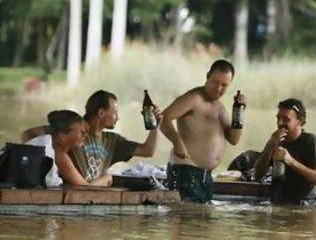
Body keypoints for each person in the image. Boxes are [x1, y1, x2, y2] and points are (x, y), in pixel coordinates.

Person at [21, 90, 163, 183]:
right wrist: (41, 163)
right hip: (73, 192)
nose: (118, 118)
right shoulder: (72, 131)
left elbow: (148, 151)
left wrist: (156, 126)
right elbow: (28, 134)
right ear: (101, 113)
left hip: (92, 193)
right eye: (115, 113)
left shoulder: (113, 141)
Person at [161, 59, 246, 203]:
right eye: (215, 82)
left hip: (206, 175)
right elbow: (163, 118)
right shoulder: (194, 98)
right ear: (207, 76)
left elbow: (233, 139)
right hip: (186, 171)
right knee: (186, 220)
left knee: (202, 222)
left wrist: (240, 112)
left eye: (224, 85)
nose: (218, 88)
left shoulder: (221, 108)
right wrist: (177, 142)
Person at [254, 98, 316, 205]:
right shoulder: (276, 140)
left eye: (286, 119)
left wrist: (290, 161)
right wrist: (269, 147)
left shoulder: (311, 142)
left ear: (300, 120)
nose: (279, 123)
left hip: (304, 206)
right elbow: (257, 176)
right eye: (278, 118)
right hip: (276, 203)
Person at [47, 110, 112, 186]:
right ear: (63, 136)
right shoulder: (58, 153)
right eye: (82, 132)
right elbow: (84, 187)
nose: (85, 136)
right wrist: (107, 178)